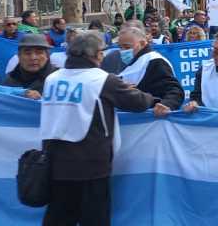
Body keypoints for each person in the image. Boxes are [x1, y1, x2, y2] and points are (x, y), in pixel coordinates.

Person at [40, 32, 154, 225]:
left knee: (58, 217)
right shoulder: (102, 80)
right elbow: (138, 103)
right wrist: (153, 98)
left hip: (55, 161)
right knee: (94, 218)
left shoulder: (52, 78)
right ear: (96, 54)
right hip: (91, 163)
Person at [115, 27, 184, 117]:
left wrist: (166, 104)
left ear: (142, 43)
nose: (123, 51)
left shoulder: (155, 61)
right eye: (120, 47)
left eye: (127, 47)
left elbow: (175, 90)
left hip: (153, 120)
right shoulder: (133, 61)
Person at [3, 33, 57, 99]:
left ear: (47, 56)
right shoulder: (10, 81)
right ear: (19, 56)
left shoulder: (58, 79)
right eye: (27, 53)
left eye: (39, 53)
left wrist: (42, 99)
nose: (33, 57)